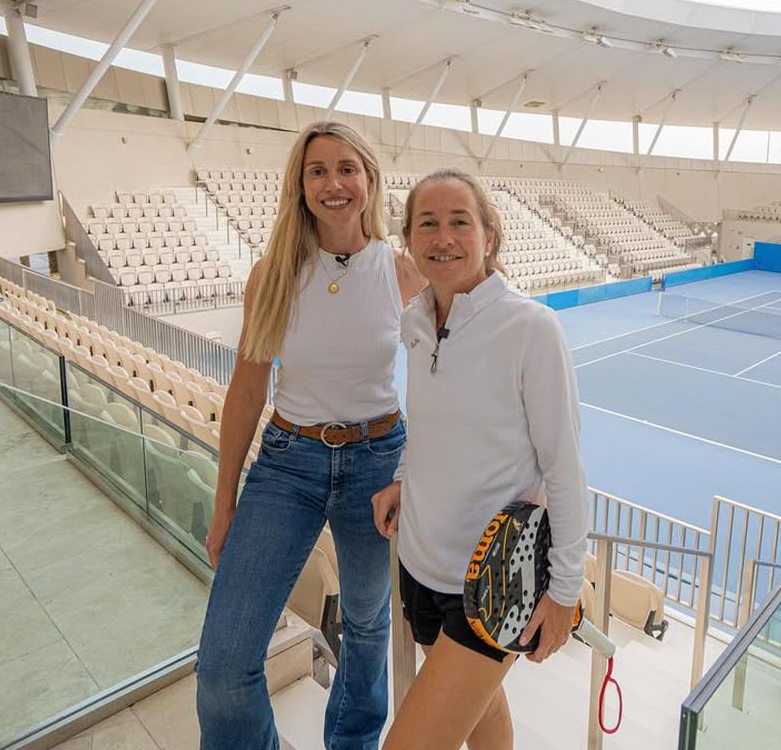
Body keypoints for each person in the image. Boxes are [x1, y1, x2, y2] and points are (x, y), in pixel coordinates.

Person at [195, 121, 423, 750]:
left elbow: (443, 379)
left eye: (347, 168)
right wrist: (225, 506)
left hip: (379, 461)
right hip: (287, 464)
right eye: (317, 171)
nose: (333, 183)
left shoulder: (405, 273)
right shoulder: (272, 274)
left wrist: (410, 470)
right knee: (222, 667)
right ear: (299, 186)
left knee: (369, 626)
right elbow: (245, 393)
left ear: (369, 180)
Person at [373, 168, 587, 750]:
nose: (443, 237)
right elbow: (429, 426)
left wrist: (565, 591)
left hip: (496, 584)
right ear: (410, 241)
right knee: (481, 710)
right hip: (419, 566)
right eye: (428, 224)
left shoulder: (530, 328)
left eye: (459, 222)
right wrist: (400, 478)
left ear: (489, 236)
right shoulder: (417, 320)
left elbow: (564, 469)